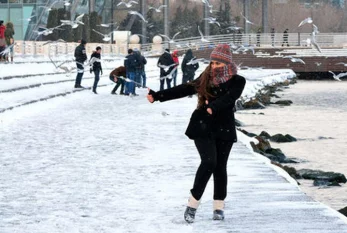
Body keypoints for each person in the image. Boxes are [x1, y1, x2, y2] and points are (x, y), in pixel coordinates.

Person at [146, 44, 246, 223]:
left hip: (224, 127)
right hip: (203, 126)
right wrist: (158, 96)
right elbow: (185, 88)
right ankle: (192, 205)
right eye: (212, 62)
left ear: (227, 63)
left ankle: (218, 207)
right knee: (209, 162)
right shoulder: (205, 77)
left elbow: (230, 98)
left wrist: (213, 107)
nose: (214, 66)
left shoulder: (238, 81)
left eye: (218, 63)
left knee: (220, 167)